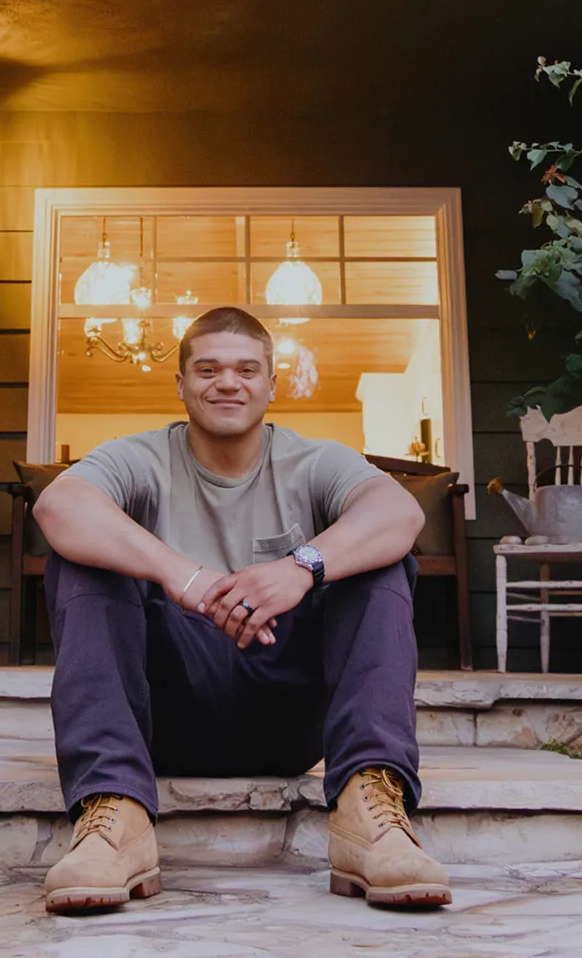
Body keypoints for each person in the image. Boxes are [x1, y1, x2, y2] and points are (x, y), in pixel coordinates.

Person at [30, 305, 447, 912]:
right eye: (209, 369)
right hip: (163, 719)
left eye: (247, 369)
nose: (228, 382)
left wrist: (300, 568)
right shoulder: (140, 457)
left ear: (271, 385)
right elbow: (58, 507)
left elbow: (401, 514)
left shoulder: (314, 460)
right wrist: (185, 576)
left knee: (382, 561)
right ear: (180, 384)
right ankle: (112, 814)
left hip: (287, 714)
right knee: (81, 559)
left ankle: (369, 808)